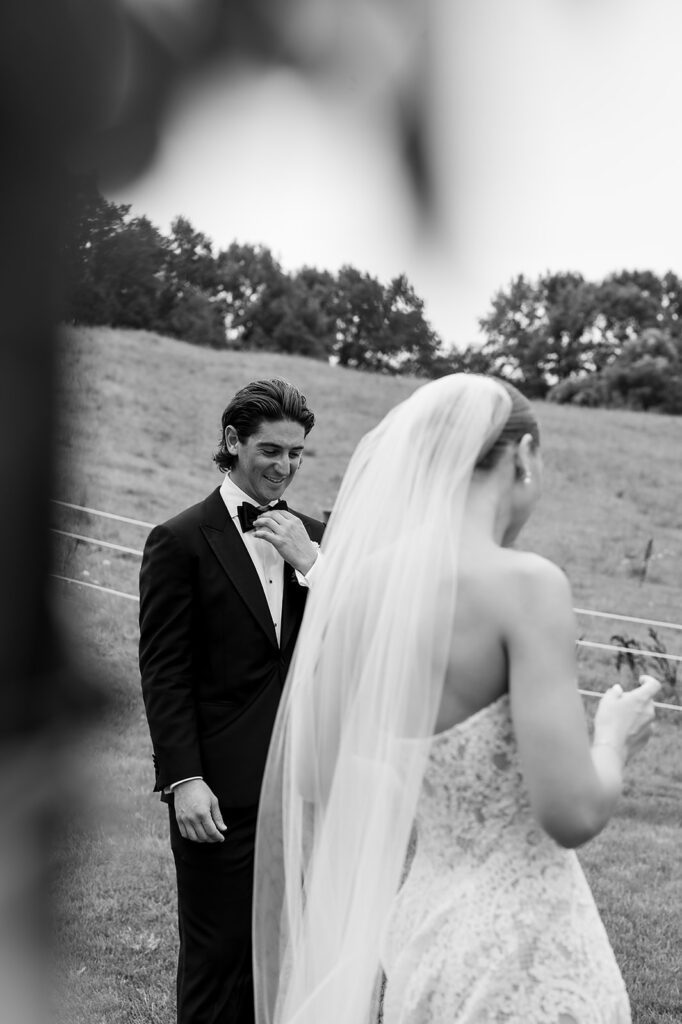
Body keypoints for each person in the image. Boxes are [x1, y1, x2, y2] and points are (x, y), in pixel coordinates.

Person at [253, 373, 660, 1024]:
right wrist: (614, 737)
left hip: (424, 941)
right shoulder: (526, 585)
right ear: (523, 458)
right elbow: (572, 812)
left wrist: (420, 775)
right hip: (530, 950)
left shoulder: (364, 591)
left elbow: (310, 770)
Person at [139, 378, 325, 1024]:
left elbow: (363, 636)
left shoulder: (319, 539)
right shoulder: (180, 541)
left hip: (303, 791)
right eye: (271, 450)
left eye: (297, 454)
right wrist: (183, 779)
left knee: (293, 962)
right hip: (219, 798)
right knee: (219, 962)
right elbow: (163, 673)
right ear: (232, 441)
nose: (284, 467)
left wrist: (311, 563)